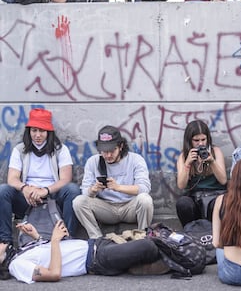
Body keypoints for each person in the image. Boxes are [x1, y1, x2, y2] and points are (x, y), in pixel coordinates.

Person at [0, 108, 80, 259]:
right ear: (29, 131)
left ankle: (68, 241)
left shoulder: (60, 150)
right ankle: (6, 243)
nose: (37, 135)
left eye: (42, 131)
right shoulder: (20, 150)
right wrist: (25, 188)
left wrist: (45, 190)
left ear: (49, 132)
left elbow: (65, 179)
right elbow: (12, 178)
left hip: (52, 197)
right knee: (3, 191)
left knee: (73, 190)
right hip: (27, 198)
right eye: (34, 130)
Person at [0, 220, 160, 283]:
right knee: (148, 246)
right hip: (98, 259)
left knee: (154, 233)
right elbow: (53, 273)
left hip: (97, 243)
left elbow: (47, 255)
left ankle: (178, 247)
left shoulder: (19, 252)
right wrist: (55, 239)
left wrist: (36, 236)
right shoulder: (16, 266)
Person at [73, 125, 153, 238]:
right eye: (104, 151)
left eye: (112, 150)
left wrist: (118, 187)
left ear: (120, 146)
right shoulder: (93, 162)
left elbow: (144, 188)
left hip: (130, 207)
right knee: (78, 201)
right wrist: (93, 190)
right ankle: (97, 239)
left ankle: (142, 237)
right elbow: (85, 192)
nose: (108, 155)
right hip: (106, 208)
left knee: (145, 199)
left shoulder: (135, 160)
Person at [176, 120, 227, 227]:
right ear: (189, 141)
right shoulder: (183, 156)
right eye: (196, 140)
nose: (200, 143)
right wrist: (188, 163)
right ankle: (190, 232)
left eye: (203, 139)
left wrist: (212, 162)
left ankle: (214, 234)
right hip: (195, 198)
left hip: (214, 196)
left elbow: (223, 180)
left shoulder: (215, 151)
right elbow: (181, 185)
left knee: (222, 203)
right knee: (183, 203)